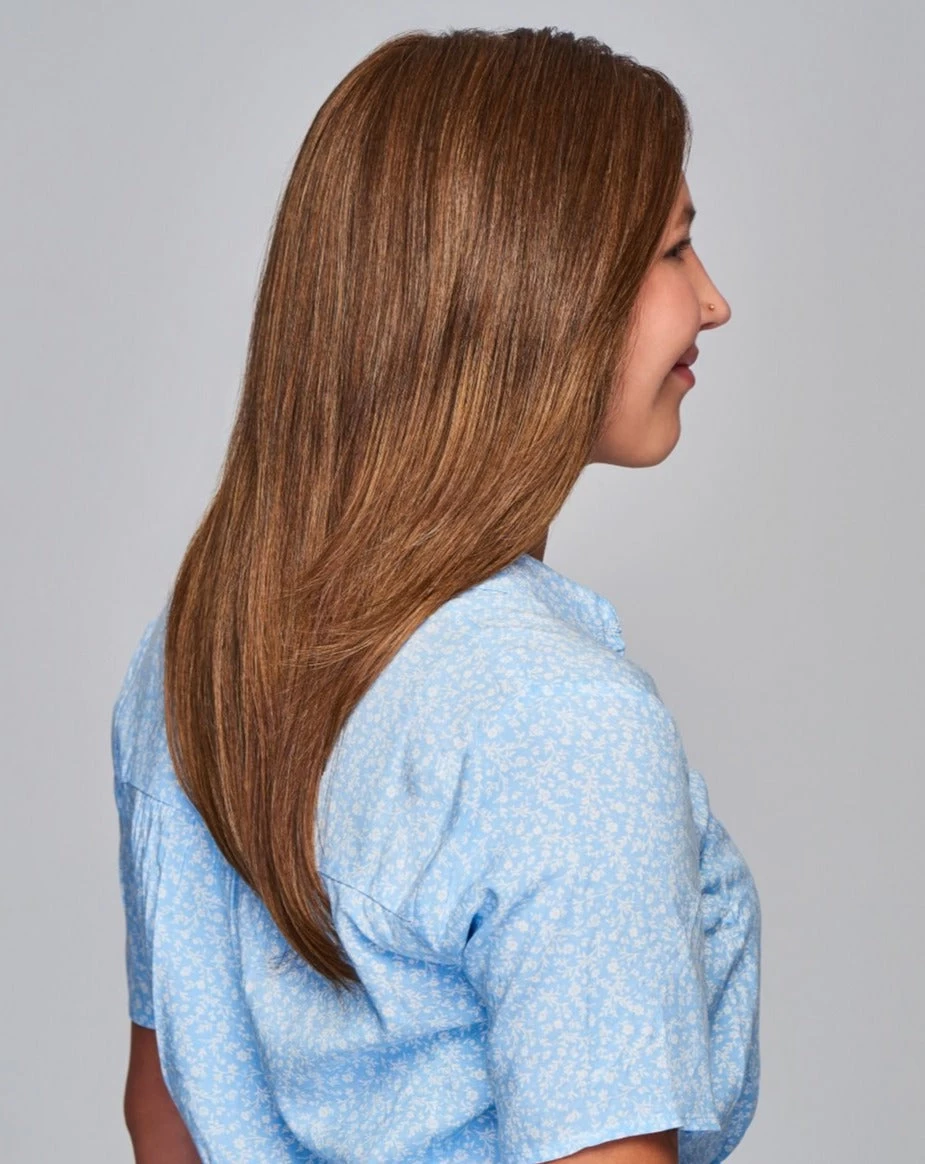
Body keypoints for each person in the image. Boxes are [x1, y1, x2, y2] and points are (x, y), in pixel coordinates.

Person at [113, 25, 759, 1164]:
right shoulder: (562, 726)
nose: (712, 303)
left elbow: (165, 1112)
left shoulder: (197, 653)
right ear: (533, 285)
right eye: (671, 251)